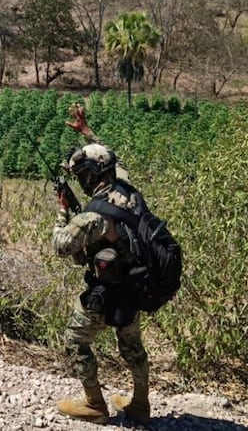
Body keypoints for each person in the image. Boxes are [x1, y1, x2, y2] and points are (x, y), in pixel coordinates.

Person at [51, 102, 152, 425]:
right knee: (132, 346)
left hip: (105, 290)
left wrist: (63, 210)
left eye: (81, 174)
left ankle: (95, 404)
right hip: (134, 284)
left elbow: (61, 245)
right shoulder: (127, 188)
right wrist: (87, 133)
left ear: (90, 175)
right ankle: (139, 405)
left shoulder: (94, 215)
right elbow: (113, 158)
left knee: (75, 340)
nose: (78, 178)